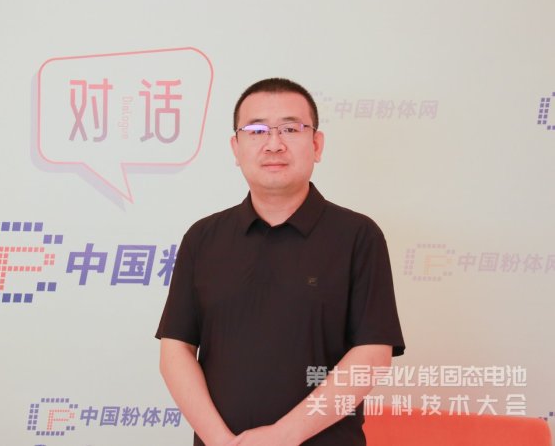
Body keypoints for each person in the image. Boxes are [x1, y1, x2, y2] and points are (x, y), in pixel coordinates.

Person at [156, 78, 405, 445]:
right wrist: (221, 441)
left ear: (316, 144)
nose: (274, 144)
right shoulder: (203, 238)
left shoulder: (358, 236)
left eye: (290, 128)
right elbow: (175, 350)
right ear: (236, 148)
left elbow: (372, 354)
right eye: (257, 130)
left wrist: (282, 437)